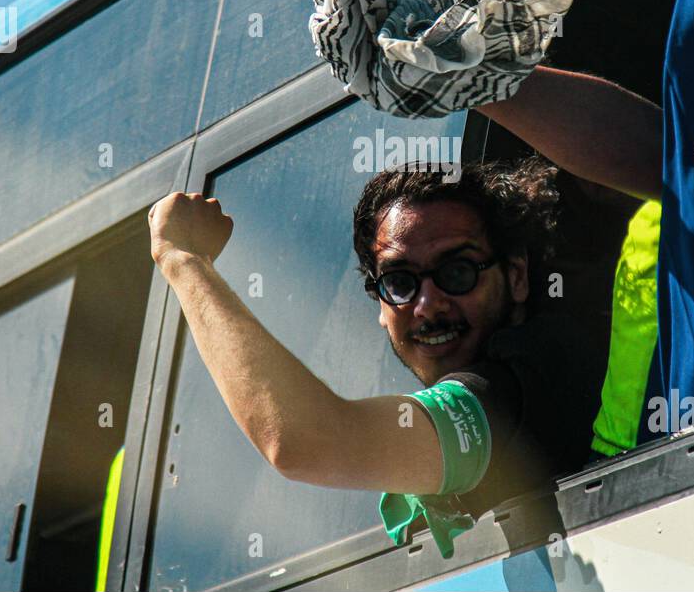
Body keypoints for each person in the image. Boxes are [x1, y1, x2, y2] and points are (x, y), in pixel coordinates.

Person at [147, 157, 610, 556]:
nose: (428, 305)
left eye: (457, 271)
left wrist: (181, 260)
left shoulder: (528, 373)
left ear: (517, 277)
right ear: (381, 308)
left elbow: (302, 441)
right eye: (401, 282)